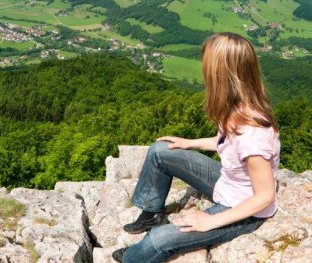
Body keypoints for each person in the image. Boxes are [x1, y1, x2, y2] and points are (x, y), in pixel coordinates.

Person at [113, 32, 280, 263]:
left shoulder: (253, 133)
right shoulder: (235, 109)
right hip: (228, 184)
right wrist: (190, 143)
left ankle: (132, 258)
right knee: (161, 150)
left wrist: (211, 221)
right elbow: (226, 145)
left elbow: (265, 197)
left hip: (244, 210)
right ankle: (151, 213)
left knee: (157, 241)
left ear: (221, 75)